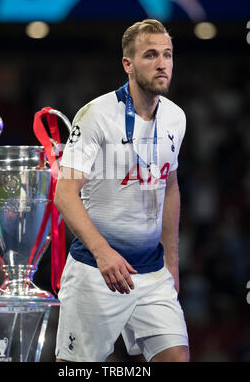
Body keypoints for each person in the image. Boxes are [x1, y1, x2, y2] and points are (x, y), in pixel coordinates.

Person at [54, 19, 189, 362]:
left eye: (168, 55)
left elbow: (169, 187)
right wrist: (102, 252)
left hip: (152, 273)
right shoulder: (95, 115)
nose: (162, 63)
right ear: (128, 64)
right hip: (94, 270)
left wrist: (171, 261)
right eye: (151, 55)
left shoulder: (176, 118)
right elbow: (65, 192)